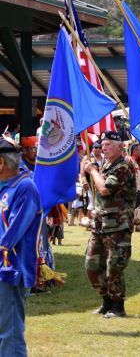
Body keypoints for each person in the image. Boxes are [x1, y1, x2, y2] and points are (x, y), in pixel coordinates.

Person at [82, 131, 136, 318]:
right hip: (101, 224)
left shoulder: (124, 166)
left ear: (120, 147)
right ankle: (106, 301)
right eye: (102, 145)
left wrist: (93, 171)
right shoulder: (106, 166)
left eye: (108, 144)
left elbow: (105, 189)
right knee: (92, 264)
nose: (103, 148)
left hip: (118, 225)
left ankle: (118, 306)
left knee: (114, 265)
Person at [0, 137, 42, 356]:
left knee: (11, 333)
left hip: (10, 270)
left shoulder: (25, 188)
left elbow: (12, 234)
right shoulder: (6, 186)